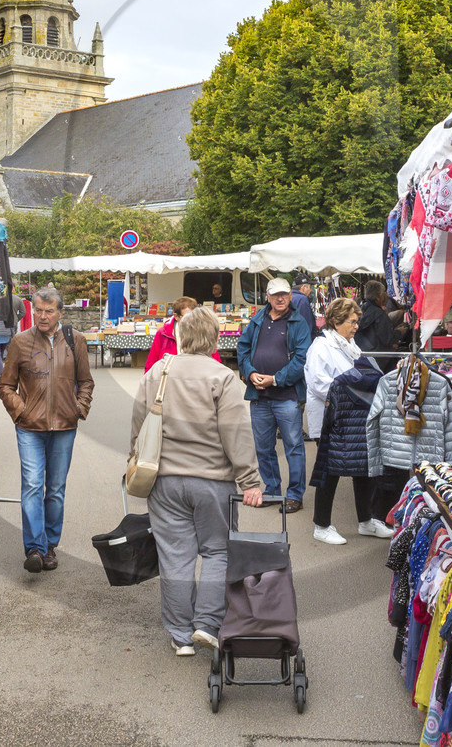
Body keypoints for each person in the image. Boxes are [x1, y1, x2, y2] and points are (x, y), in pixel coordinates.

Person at [132, 306, 263, 656]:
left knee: (175, 556)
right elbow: (236, 433)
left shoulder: (158, 371)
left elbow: (139, 424)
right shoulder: (223, 377)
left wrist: (135, 460)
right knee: (218, 551)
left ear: (179, 336)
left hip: (165, 480)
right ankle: (206, 624)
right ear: (216, 339)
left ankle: (179, 635)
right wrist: (250, 480)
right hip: (213, 481)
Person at [0, 286, 94, 574]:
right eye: (38, 310)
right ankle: (36, 549)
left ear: (60, 313)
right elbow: (5, 386)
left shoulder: (75, 341)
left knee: (55, 490)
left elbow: (86, 381)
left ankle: (50, 544)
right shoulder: (20, 342)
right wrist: (21, 410)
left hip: (65, 426)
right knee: (31, 486)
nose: (42, 316)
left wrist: (79, 407)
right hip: (30, 427)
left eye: (49, 311)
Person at [304, 298, 392, 544]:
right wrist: (354, 390)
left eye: (356, 322)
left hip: (352, 419)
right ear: (336, 322)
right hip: (331, 419)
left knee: (363, 468)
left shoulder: (349, 345)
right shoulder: (321, 347)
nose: (356, 327)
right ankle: (321, 526)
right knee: (329, 471)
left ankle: (366, 521)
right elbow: (319, 384)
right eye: (352, 322)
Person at [235, 277, 312, 512]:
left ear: (291, 296)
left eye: (285, 294)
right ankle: (272, 490)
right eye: (276, 295)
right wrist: (249, 373)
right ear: (267, 297)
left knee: (294, 446)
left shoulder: (298, 322)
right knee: (263, 447)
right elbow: (243, 348)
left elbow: (302, 359)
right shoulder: (258, 320)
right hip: (260, 397)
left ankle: (294, 495)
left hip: (287, 396)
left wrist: (276, 379)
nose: (281, 298)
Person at [144, 296, 221, 369]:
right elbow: (151, 363)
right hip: (171, 376)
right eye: (186, 317)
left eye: (194, 316)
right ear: (176, 316)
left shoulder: (204, 332)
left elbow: (216, 363)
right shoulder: (163, 333)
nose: (191, 320)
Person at [355, 280, 396, 353]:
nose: (385, 295)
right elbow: (387, 339)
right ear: (378, 297)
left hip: (362, 354)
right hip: (379, 357)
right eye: (384, 293)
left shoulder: (360, 309)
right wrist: (399, 332)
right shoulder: (379, 314)